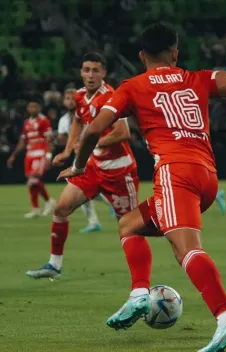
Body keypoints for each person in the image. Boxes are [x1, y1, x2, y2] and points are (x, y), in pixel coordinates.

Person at [59, 23, 226, 352]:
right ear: (176, 52)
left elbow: (94, 130)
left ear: (142, 56)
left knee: (186, 249)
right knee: (129, 224)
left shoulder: (131, 86)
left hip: (174, 173)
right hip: (207, 175)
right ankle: (139, 294)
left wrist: (79, 165)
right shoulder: (198, 78)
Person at [26, 52, 141, 280]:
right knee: (61, 209)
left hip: (119, 170)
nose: (90, 75)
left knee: (129, 227)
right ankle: (54, 265)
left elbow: (123, 133)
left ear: (104, 73)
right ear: (81, 72)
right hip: (93, 166)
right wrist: (68, 150)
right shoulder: (79, 96)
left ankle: (140, 282)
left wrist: (89, 142)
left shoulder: (111, 97)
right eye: (86, 70)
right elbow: (79, 120)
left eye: (95, 70)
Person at [57, 88, 103, 233]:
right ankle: (95, 219)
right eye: (67, 98)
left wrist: (82, 144)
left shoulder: (90, 111)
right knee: (79, 184)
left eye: (72, 98)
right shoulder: (64, 120)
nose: (70, 101)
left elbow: (98, 133)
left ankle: (101, 214)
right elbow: (63, 138)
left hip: (97, 154)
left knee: (80, 185)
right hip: (80, 157)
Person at [7, 98, 56, 218]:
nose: (32, 109)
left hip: (40, 153)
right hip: (29, 154)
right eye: (30, 107)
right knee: (32, 183)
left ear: (39, 108)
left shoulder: (44, 121)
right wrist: (13, 155)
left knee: (33, 180)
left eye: (35, 106)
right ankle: (36, 209)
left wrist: (48, 155)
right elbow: (23, 141)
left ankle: (49, 201)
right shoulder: (26, 123)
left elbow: (49, 139)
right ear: (28, 109)